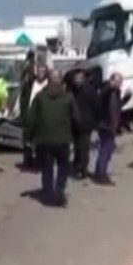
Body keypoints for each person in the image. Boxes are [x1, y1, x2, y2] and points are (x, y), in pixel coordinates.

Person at [27, 69, 82, 206]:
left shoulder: (40, 97)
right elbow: (77, 118)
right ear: (61, 81)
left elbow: (31, 119)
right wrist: (77, 134)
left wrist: (29, 137)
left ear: (48, 80)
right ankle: (59, 191)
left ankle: (48, 194)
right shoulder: (68, 97)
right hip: (63, 140)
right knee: (63, 167)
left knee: (47, 168)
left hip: (43, 140)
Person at [93, 73, 128, 185]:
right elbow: (111, 106)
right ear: (112, 80)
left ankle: (99, 171)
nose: (120, 84)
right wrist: (114, 126)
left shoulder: (110, 91)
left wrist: (126, 98)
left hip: (107, 124)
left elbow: (117, 106)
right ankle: (101, 175)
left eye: (121, 82)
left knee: (105, 149)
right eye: (118, 81)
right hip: (106, 124)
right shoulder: (109, 91)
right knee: (106, 150)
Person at [71, 69, 100, 179]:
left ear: (82, 78)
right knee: (77, 147)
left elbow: (96, 106)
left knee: (83, 148)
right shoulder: (74, 90)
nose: (76, 80)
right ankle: (78, 166)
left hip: (85, 124)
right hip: (75, 123)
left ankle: (82, 169)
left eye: (78, 78)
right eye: (75, 78)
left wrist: (94, 121)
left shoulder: (89, 90)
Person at [21, 64, 49, 168]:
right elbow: (23, 99)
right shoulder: (30, 84)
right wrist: (23, 112)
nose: (40, 73)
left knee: (40, 141)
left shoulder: (48, 85)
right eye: (39, 71)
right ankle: (27, 161)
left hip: (41, 116)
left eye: (43, 71)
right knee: (27, 140)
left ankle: (40, 161)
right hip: (29, 115)